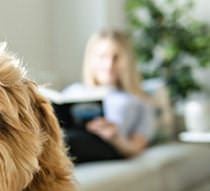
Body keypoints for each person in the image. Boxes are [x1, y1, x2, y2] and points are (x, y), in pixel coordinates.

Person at [62, 29, 155, 163]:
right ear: (91, 60)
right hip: (64, 137)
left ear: (127, 61)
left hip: (106, 145)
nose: (109, 65)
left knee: (67, 141)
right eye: (102, 57)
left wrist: (115, 138)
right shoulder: (73, 91)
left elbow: (136, 147)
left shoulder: (137, 100)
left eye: (116, 58)